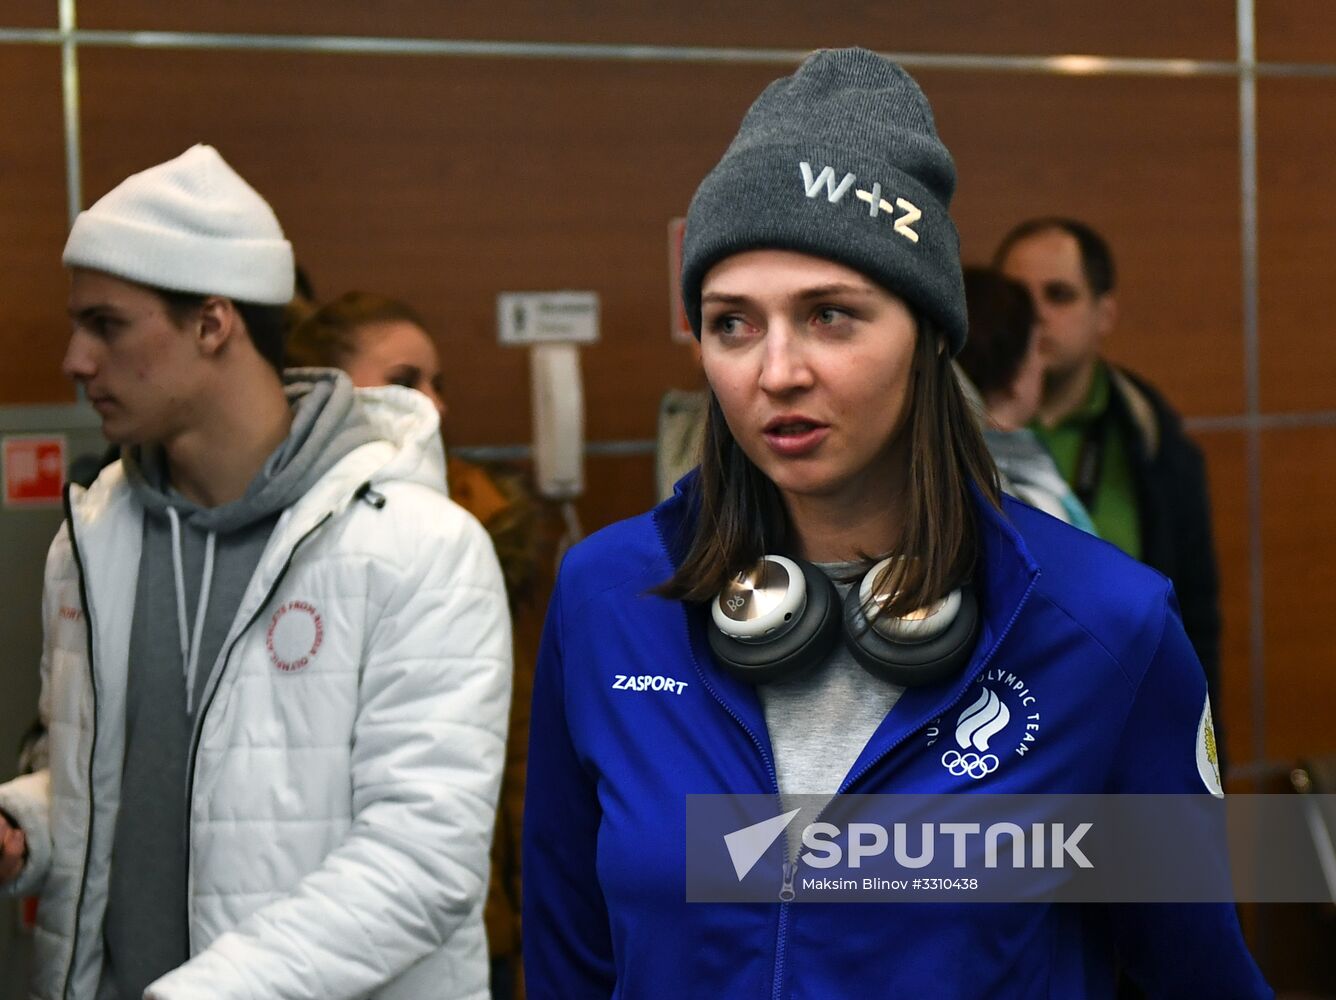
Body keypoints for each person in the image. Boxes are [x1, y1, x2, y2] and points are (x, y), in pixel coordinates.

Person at [521, 49, 1268, 997]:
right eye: (732, 323)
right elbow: (568, 959)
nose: (776, 371)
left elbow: (1199, 977)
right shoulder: (608, 598)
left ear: (929, 335)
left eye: (830, 315)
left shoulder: (1103, 628)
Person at [0, 145, 511, 1000]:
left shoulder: (419, 548)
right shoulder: (92, 540)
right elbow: (117, 784)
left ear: (212, 323)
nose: (75, 359)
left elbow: (421, 862)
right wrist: (26, 823)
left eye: (107, 324)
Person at [288, 292, 551, 1000]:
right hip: (305, 914)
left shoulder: (477, 527)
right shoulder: (281, 537)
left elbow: (522, 744)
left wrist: (533, 914)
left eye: (437, 382)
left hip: (468, 909)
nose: (433, 404)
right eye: (404, 382)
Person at [994, 217, 1224, 766]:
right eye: (1018, 296)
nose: (1035, 314)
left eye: (1059, 295)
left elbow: (1196, 620)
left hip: (1127, 735)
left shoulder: (1154, 438)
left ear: (1105, 314)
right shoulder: (951, 431)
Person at [956, 266, 1096, 532]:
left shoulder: (921, 468)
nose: (1042, 364)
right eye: (1037, 349)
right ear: (1014, 374)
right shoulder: (1036, 505)